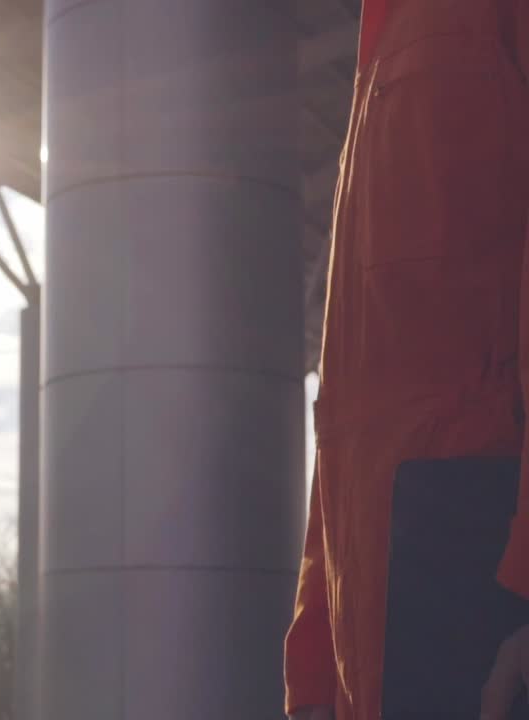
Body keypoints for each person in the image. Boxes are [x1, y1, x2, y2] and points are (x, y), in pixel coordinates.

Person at [285, 2, 529, 719]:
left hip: (484, 614)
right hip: (393, 627)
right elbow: (357, 392)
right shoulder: (388, 34)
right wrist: (315, 668)